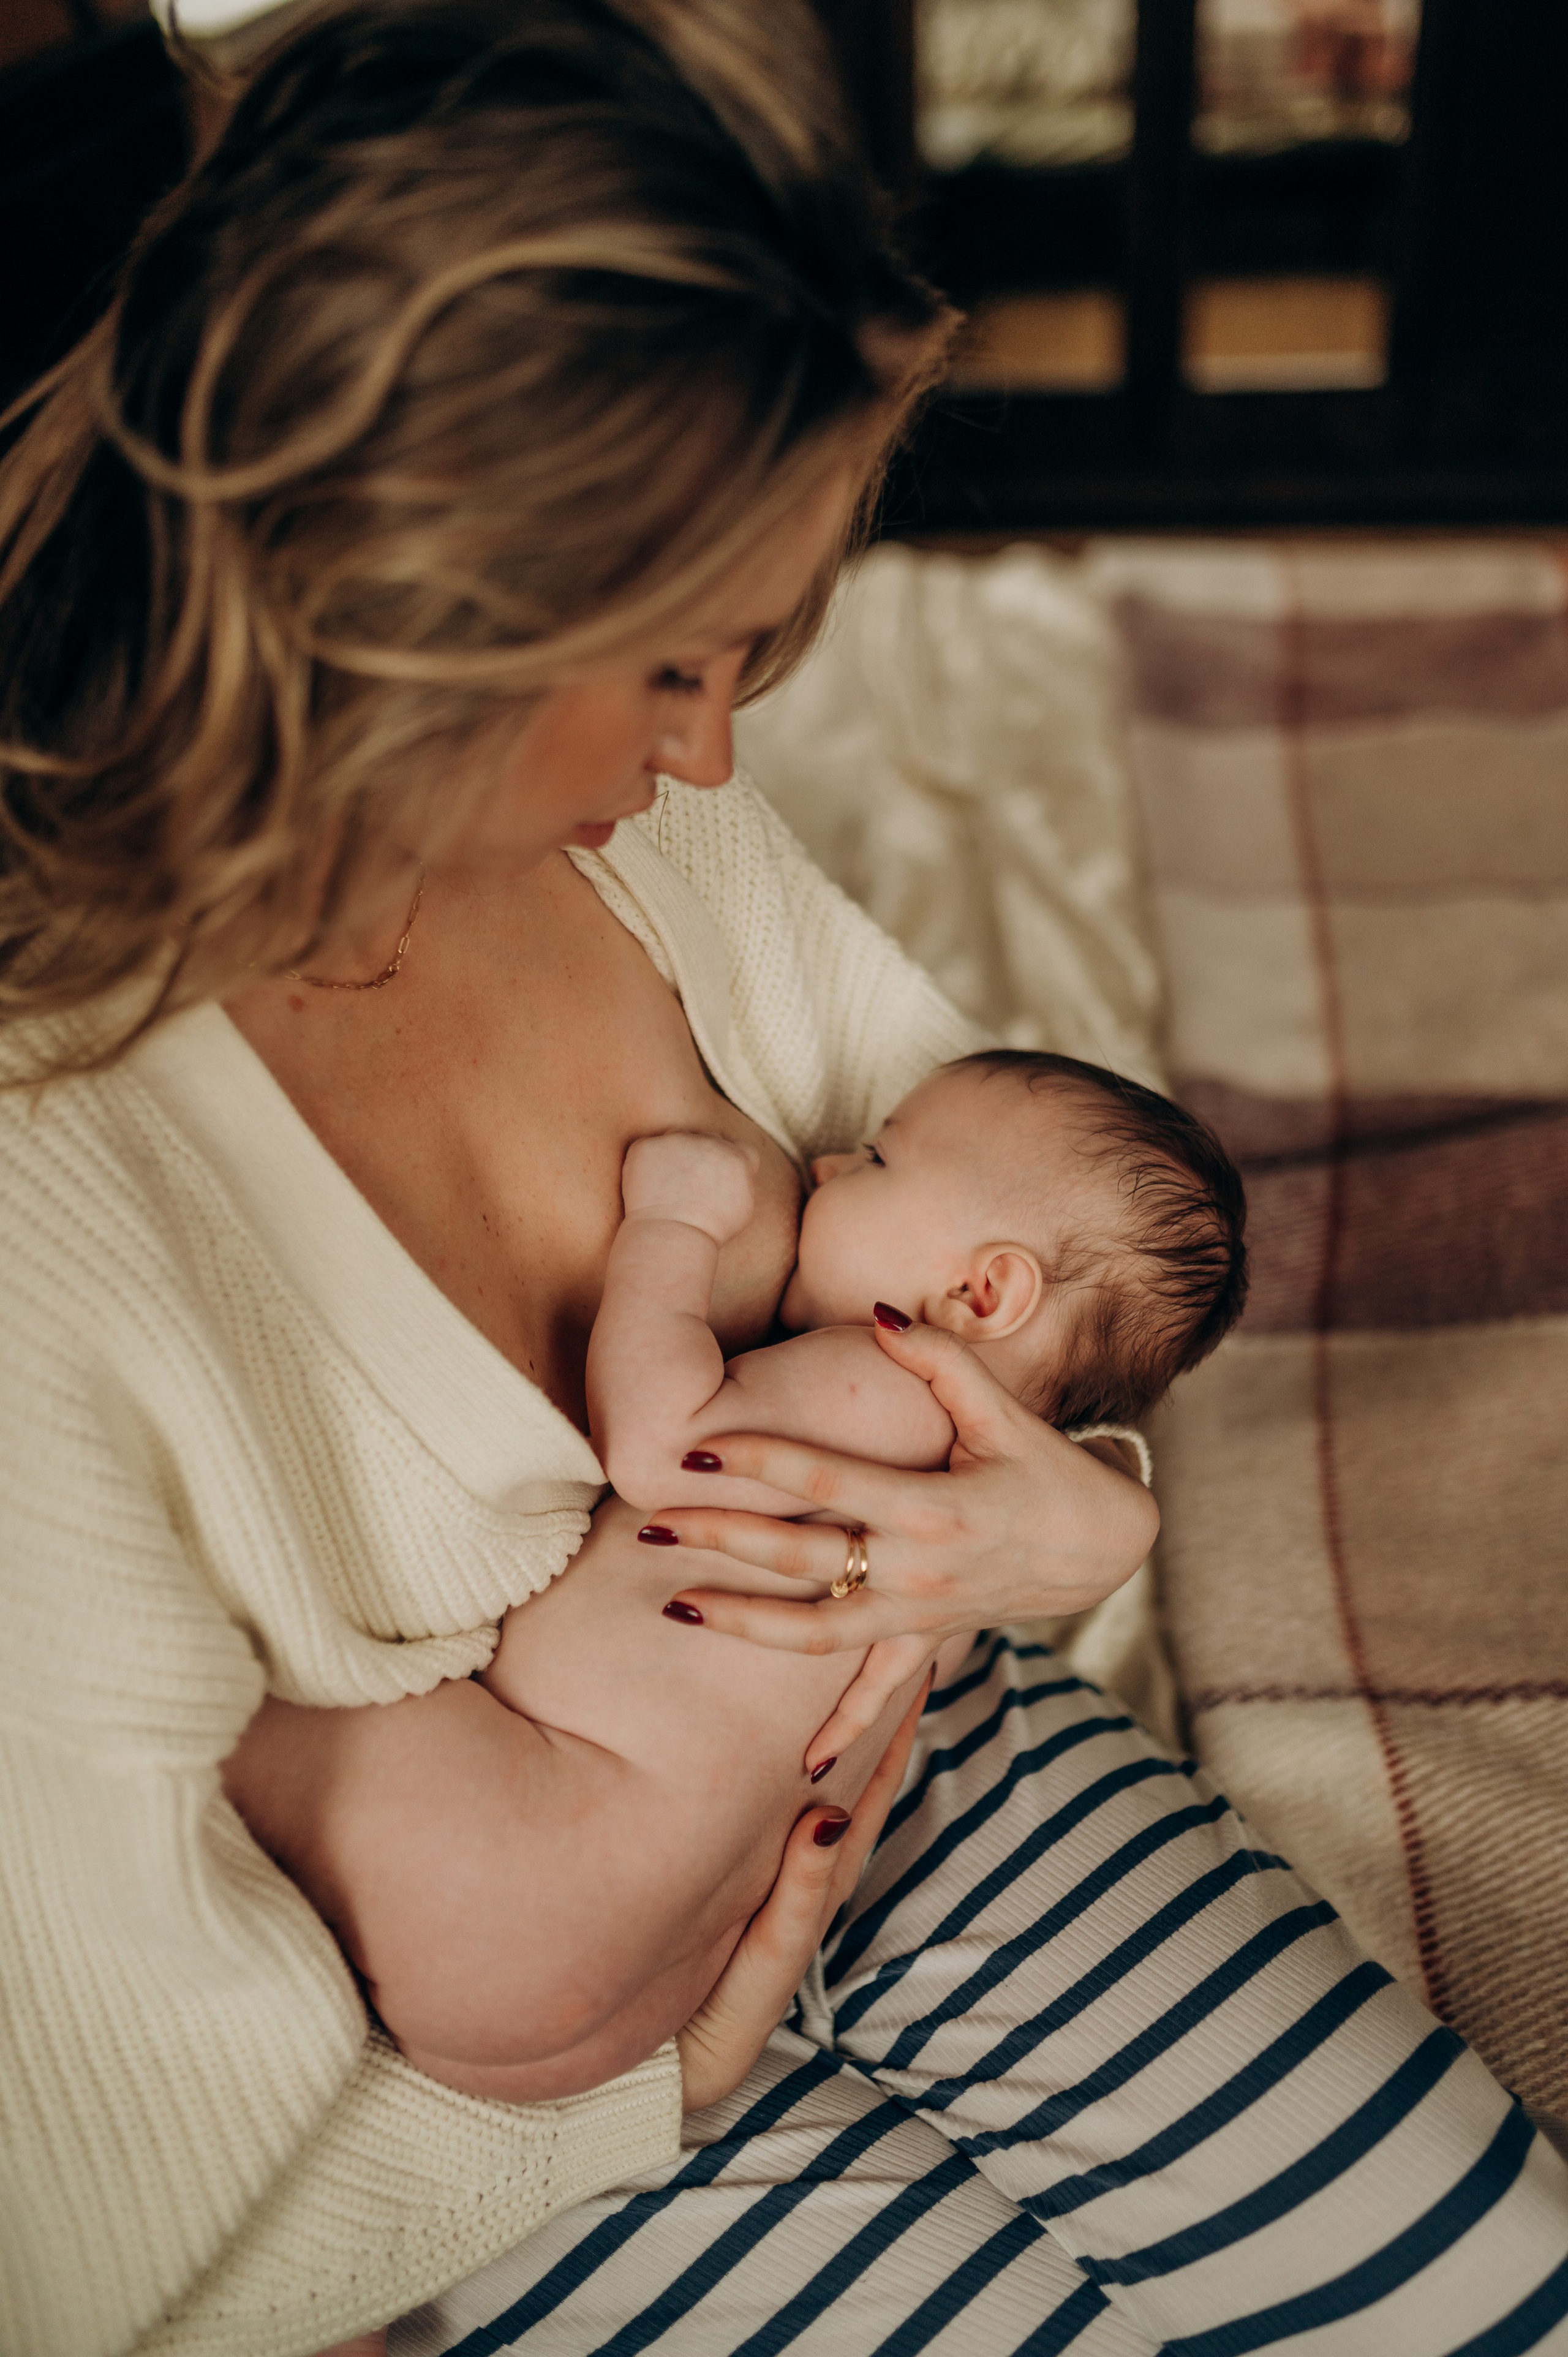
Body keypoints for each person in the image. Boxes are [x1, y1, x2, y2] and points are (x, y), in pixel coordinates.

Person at [1, 4, 1566, 2355]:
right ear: (390, 594)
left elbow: (1000, 1205)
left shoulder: (641, 838)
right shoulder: (55, 1195)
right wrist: (611, 2101)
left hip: (904, 1745)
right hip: (474, 2062)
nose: (719, 750)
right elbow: (102, 2103)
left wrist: (1069, 1520)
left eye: (752, 652)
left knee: (1497, 2298)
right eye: (664, 665)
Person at [228, 1050, 1250, 2108]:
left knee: (230, 1708)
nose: (825, 1159)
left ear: (981, 1292)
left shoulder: (883, 1377)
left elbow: (662, 1449)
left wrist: (672, 1233)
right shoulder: (969, 1568)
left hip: (521, 1858)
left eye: (877, 1159)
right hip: (647, 1996)